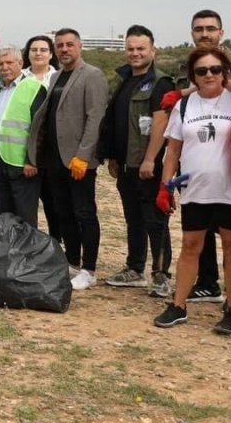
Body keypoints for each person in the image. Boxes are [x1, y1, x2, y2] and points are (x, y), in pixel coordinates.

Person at [152, 47, 231, 334]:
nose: (209, 75)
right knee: (190, 247)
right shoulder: (185, 105)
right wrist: (165, 186)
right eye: (202, 71)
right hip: (194, 188)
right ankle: (178, 305)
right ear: (193, 76)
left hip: (230, 188)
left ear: (225, 72)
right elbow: (173, 150)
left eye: (215, 69)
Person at [173, 9, 231, 304]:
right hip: (196, 174)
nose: (204, 33)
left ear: (221, 32)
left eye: (210, 28)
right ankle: (207, 283)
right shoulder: (187, 66)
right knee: (196, 238)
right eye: (198, 29)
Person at [27, 28, 109, 291]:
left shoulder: (92, 75)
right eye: (60, 45)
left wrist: (83, 155)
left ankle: (89, 268)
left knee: (84, 213)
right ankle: (72, 261)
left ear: (80, 46)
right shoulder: (57, 76)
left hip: (77, 160)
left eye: (69, 45)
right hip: (55, 159)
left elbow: (95, 117)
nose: (64, 49)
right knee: (63, 213)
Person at [99, 25, 176, 295]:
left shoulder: (161, 83)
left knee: (156, 220)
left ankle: (161, 275)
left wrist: (150, 159)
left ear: (153, 50)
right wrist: (112, 157)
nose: (135, 53)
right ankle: (134, 268)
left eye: (141, 48)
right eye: (130, 49)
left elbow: (160, 122)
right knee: (134, 219)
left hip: (148, 167)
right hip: (126, 164)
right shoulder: (125, 80)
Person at [0, 47, 47, 225]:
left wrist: (32, 160)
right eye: (0, 64)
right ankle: (7, 250)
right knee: (4, 213)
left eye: (9, 63)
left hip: (22, 164)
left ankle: (26, 252)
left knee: (24, 214)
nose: (4, 67)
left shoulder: (34, 88)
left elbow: (41, 129)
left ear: (20, 64)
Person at [22, 34, 61, 240]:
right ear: (27, 54)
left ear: (51, 54)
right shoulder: (19, 78)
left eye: (43, 50)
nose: (38, 53)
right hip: (23, 151)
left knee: (53, 203)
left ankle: (57, 243)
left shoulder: (60, 78)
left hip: (52, 151)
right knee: (26, 205)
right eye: (34, 49)